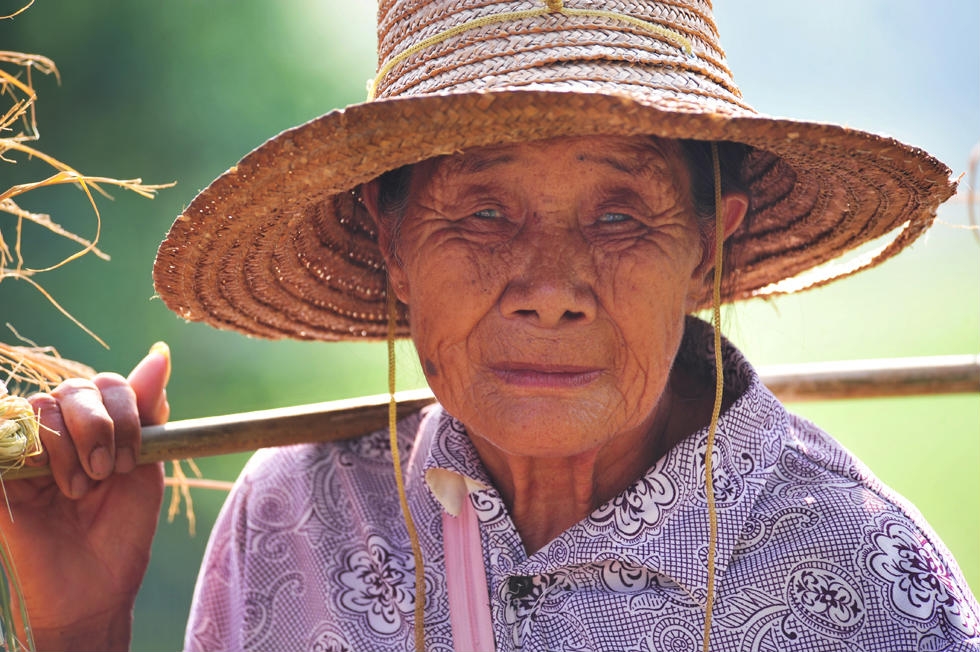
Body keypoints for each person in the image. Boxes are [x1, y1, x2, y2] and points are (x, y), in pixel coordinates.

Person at [3, 1, 978, 650]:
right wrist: (85, 622)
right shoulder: (296, 519)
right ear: (390, 241)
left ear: (705, 249)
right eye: (480, 212)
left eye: (616, 215)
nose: (548, 287)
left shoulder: (874, 587)